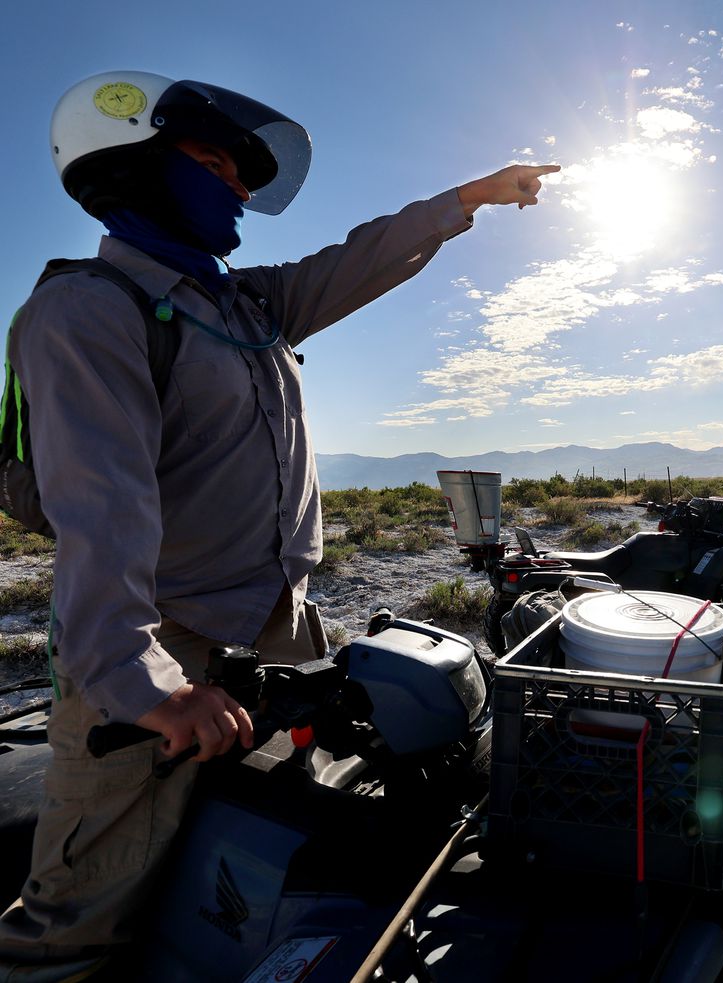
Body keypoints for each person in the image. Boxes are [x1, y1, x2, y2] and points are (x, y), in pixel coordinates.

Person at [0, 70, 557, 981]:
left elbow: (356, 260)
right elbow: (100, 513)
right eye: (215, 162)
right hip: (157, 649)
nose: (240, 188)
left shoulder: (244, 304)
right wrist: (148, 686)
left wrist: (469, 199)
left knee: (266, 864)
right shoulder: (89, 308)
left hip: (283, 631)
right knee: (75, 921)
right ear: (132, 165)